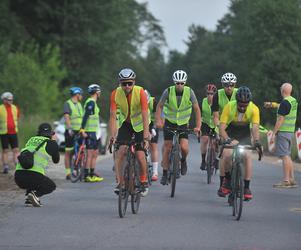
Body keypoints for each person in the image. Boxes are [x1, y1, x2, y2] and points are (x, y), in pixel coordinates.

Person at [155, 70, 201, 185]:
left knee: (184, 147)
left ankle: (183, 160)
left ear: (184, 83)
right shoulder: (168, 91)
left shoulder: (190, 92)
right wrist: (159, 121)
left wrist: (198, 126)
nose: (179, 85)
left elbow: (196, 109)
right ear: (174, 83)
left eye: (181, 83)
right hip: (170, 122)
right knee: (167, 147)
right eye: (177, 83)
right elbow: (159, 106)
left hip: (183, 123)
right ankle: (165, 174)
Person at [109, 68, 150, 196]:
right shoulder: (115, 94)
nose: (127, 86)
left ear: (134, 82)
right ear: (120, 83)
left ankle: (143, 180)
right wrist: (112, 136)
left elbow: (144, 115)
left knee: (139, 154)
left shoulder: (141, 92)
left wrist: (146, 138)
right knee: (120, 151)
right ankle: (120, 183)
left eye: (129, 83)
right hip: (126, 124)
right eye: (124, 83)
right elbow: (112, 116)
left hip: (139, 125)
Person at [219, 86, 261, 200]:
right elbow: (222, 128)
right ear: (236, 101)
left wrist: (256, 141)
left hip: (244, 133)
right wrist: (227, 139)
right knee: (227, 154)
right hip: (231, 131)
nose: (242, 107)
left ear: (249, 102)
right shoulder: (229, 107)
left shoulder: (254, 109)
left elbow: (255, 128)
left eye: (245, 104)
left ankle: (246, 187)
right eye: (240, 104)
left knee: (247, 155)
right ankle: (227, 180)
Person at [14, 123, 60, 207]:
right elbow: (56, 160)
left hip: (18, 177)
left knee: (32, 177)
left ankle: (29, 200)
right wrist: (54, 142)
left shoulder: (31, 139)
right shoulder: (51, 143)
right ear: (51, 133)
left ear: (38, 132)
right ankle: (34, 194)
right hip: (34, 176)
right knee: (51, 186)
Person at [211, 72, 238, 197]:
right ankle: (223, 183)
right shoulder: (217, 95)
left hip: (238, 126)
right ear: (223, 85)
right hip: (223, 125)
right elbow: (216, 115)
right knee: (224, 154)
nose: (229, 87)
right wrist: (218, 129)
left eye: (231, 85)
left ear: (235, 85)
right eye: (227, 85)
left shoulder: (239, 93)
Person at [270, 83, 298, 188]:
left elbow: (281, 119)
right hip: (290, 131)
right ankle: (291, 179)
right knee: (287, 155)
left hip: (283, 131)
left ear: (282, 91)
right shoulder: (293, 101)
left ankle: (286, 180)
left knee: (284, 156)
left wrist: (274, 132)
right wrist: (274, 105)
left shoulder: (284, 103)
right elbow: (285, 108)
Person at [80, 84, 103, 182]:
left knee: (95, 154)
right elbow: (85, 116)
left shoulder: (94, 102)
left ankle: (92, 174)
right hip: (89, 132)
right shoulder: (90, 103)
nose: (100, 93)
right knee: (90, 154)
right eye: (100, 92)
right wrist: (82, 129)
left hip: (95, 132)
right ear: (97, 92)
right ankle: (86, 175)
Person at [63, 87, 83, 180]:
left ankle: (77, 169)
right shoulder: (68, 103)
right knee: (68, 152)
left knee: (79, 151)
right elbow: (66, 117)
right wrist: (70, 128)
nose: (81, 96)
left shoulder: (79, 105)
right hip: (70, 131)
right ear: (77, 94)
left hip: (79, 131)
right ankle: (68, 173)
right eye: (81, 94)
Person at [0, 92, 20, 174]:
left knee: (16, 149)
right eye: (8, 100)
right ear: (4, 100)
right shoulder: (0, 108)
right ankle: (5, 166)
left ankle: (18, 166)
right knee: (5, 150)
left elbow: (17, 117)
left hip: (13, 132)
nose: (10, 101)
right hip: (4, 132)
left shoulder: (15, 108)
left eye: (11, 100)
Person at [200, 84, 218, 170]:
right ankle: (203, 161)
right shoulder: (203, 101)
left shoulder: (218, 102)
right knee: (204, 140)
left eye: (212, 94)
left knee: (216, 142)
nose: (210, 95)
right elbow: (199, 115)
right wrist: (198, 128)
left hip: (216, 124)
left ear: (215, 94)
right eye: (208, 93)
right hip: (205, 123)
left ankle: (216, 158)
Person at [145, 89, 159, 181]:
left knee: (153, 146)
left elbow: (158, 116)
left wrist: (154, 128)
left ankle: (155, 172)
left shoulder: (152, 102)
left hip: (152, 123)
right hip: (141, 123)